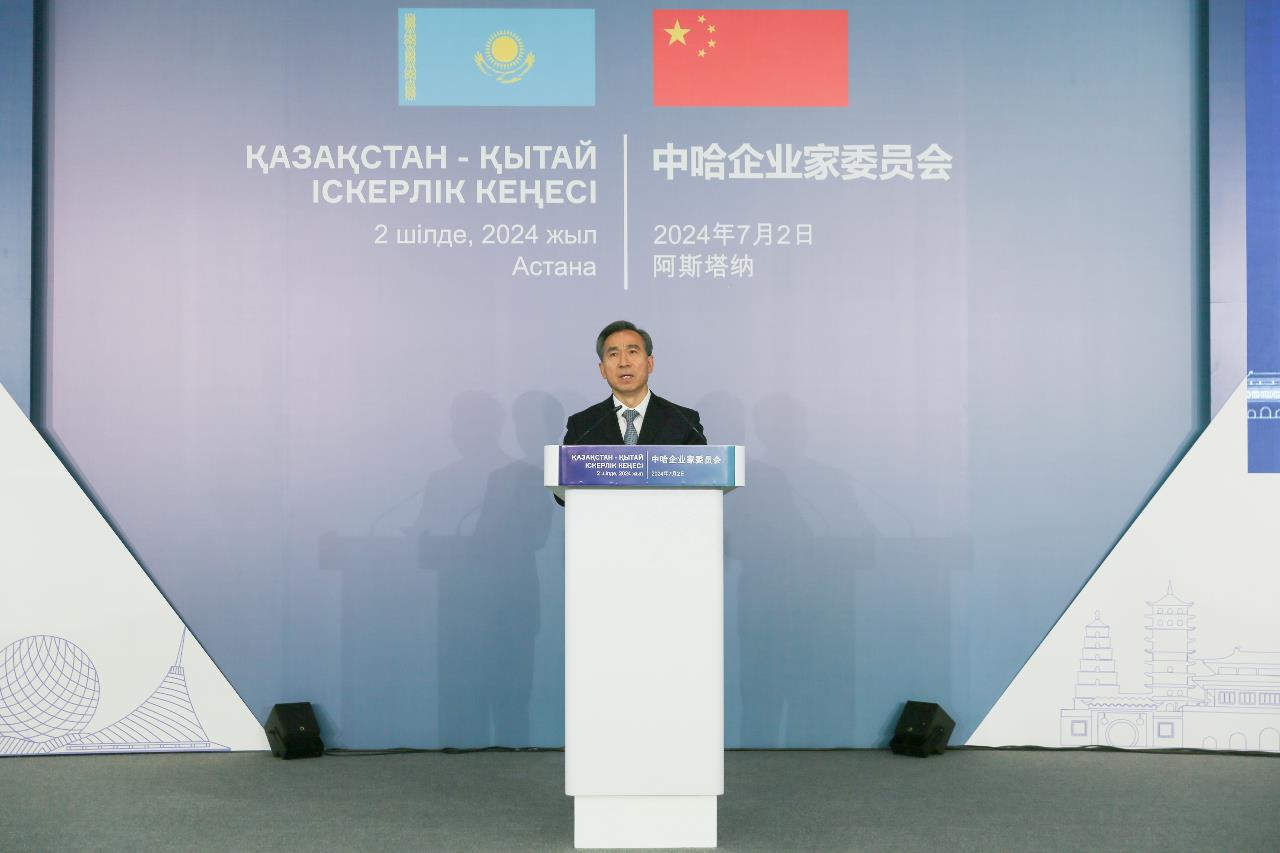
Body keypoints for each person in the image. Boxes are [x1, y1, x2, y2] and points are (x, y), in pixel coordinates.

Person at [563, 320, 707, 446]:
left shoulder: (684, 422)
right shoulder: (582, 426)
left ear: (649, 364)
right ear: (603, 370)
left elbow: (700, 469)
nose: (623, 363)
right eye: (613, 354)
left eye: (632, 352)